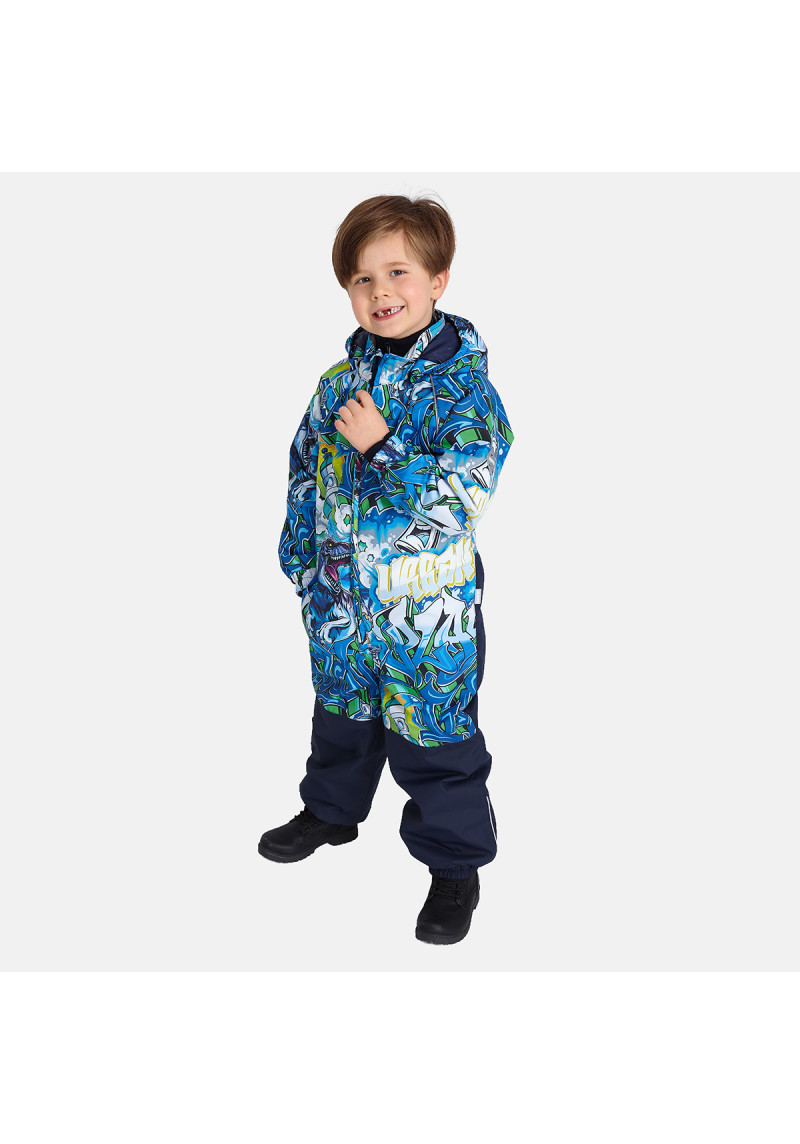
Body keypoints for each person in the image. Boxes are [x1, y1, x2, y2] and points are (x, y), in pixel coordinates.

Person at [259, 194, 514, 945]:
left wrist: (382, 447)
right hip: (340, 604)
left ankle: (454, 865)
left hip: (423, 619)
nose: (380, 292)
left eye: (398, 272)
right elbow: (304, 471)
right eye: (362, 279)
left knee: (434, 742)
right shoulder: (337, 384)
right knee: (342, 719)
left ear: (438, 279)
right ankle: (331, 813)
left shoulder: (462, 391)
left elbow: (462, 496)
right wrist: (302, 561)